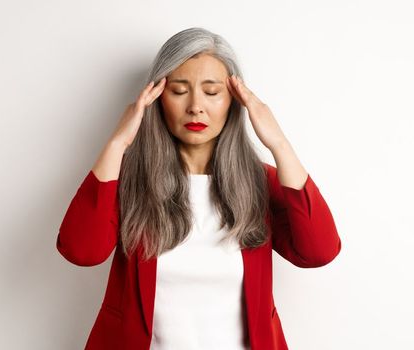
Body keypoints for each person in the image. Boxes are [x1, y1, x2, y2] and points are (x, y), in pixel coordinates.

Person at [57, 27, 341, 350]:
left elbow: (320, 250)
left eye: (211, 91)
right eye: (179, 90)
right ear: (156, 97)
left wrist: (278, 142)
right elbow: (80, 250)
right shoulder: (129, 182)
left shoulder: (259, 184)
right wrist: (118, 142)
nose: (195, 106)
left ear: (234, 100)